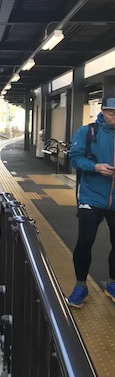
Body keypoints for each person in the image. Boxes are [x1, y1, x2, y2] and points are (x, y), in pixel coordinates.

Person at [67, 92, 115, 308]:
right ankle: (80, 286)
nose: (114, 117)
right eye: (111, 112)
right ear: (102, 111)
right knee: (85, 241)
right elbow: (75, 158)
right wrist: (95, 167)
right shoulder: (87, 132)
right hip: (90, 196)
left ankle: (112, 284)